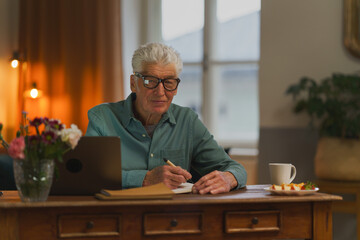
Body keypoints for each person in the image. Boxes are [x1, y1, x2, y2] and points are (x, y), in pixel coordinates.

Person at [85, 42, 247, 194]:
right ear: (133, 83)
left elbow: (234, 168)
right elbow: (87, 174)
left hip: (173, 217)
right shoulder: (102, 118)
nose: (160, 92)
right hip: (117, 215)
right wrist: (144, 179)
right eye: (150, 81)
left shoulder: (187, 120)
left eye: (169, 82)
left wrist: (228, 178)